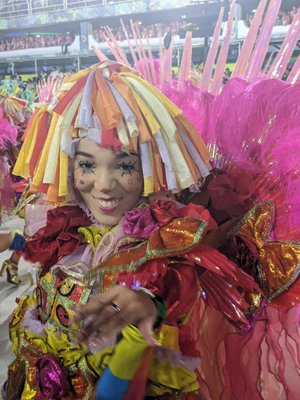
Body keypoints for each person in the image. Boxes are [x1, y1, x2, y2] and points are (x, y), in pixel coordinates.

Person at [4, 61, 270, 400]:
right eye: (87, 164)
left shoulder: (167, 236)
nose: (102, 185)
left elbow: (175, 286)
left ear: (149, 167)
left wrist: (150, 304)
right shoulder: (63, 225)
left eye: (124, 165)